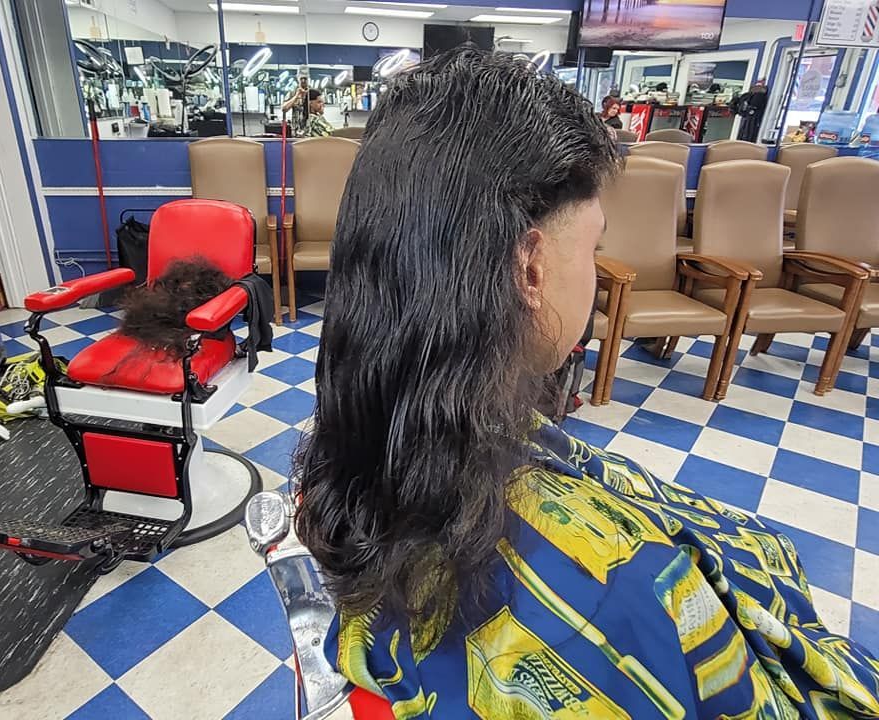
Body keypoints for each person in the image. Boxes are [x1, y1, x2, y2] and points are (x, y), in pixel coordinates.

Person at [295, 49, 879, 719]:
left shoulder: (359, 442)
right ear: (531, 267)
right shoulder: (615, 597)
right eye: (594, 249)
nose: (598, 274)